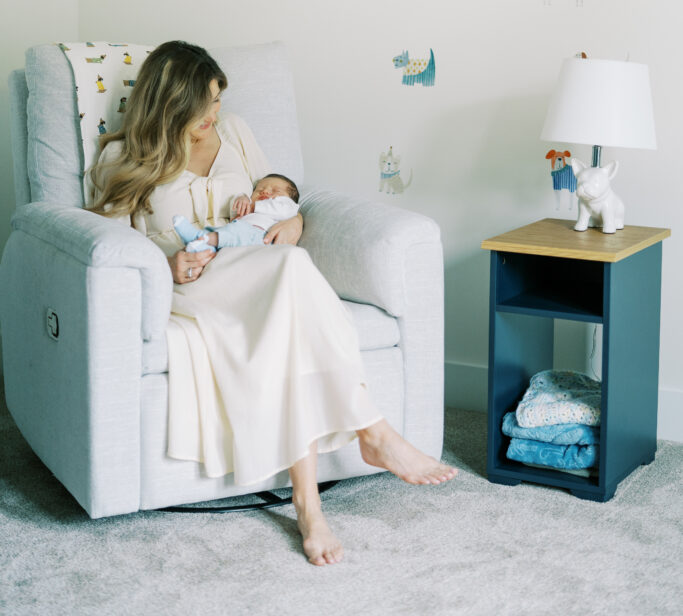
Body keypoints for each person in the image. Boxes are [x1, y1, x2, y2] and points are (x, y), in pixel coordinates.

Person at [89, 41, 456, 566]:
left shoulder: (235, 132)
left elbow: (283, 197)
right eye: (204, 108)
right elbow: (108, 252)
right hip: (194, 287)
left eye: (218, 101)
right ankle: (372, 431)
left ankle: (309, 506)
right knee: (292, 274)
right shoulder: (121, 159)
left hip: (264, 268)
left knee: (289, 286)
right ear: (169, 107)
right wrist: (166, 265)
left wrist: (294, 223)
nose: (214, 116)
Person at [173, 174, 300, 252]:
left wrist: (254, 206)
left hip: (262, 238)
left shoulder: (289, 207)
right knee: (224, 235)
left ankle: (202, 237)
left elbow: (282, 209)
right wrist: (242, 199)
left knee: (237, 231)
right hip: (236, 238)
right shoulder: (251, 206)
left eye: (275, 190)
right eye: (259, 189)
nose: (265, 191)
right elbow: (234, 212)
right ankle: (200, 246)